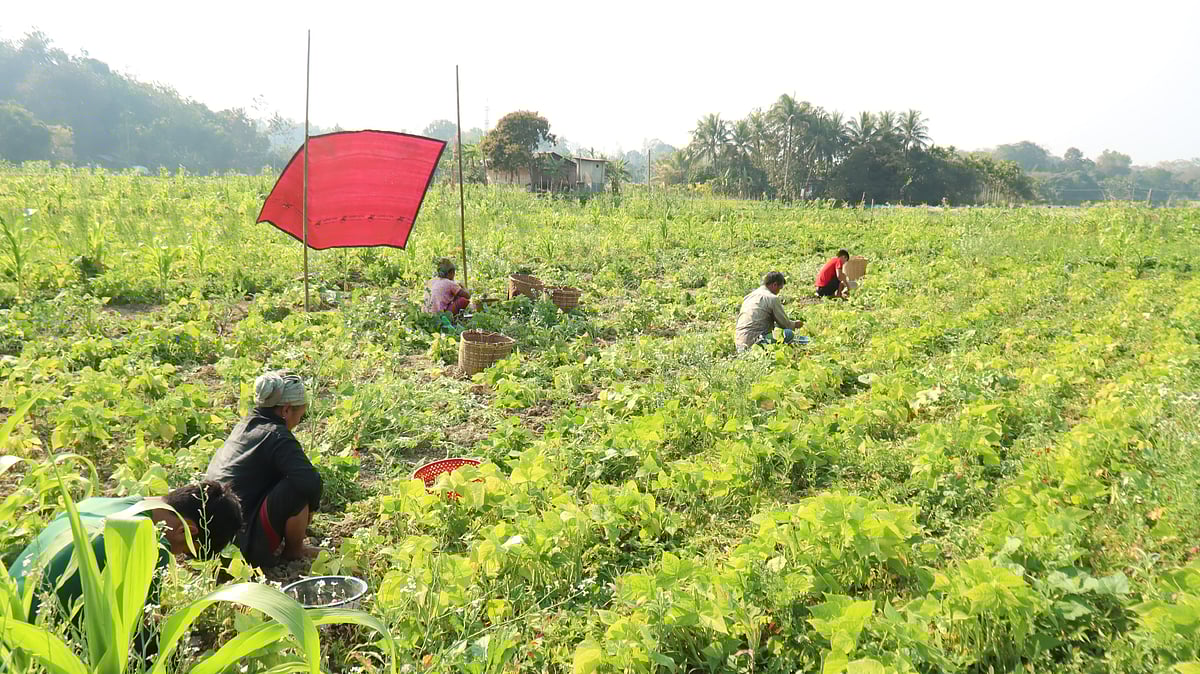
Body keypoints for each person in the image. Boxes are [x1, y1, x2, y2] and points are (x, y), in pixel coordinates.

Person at [7, 481, 242, 623]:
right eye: (184, 551)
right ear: (186, 530)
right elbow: (138, 632)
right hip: (26, 644)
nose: (175, 556)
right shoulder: (146, 542)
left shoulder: (95, 504)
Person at [206, 370, 322, 569]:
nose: (298, 422)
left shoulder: (244, 427)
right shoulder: (277, 435)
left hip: (212, 543)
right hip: (243, 548)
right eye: (300, 416)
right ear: (286, 410)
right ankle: (294, 551)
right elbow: (311, 482)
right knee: (297, 488)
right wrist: (309, 510)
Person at [734, 271, 801, 353]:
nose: (778, 292)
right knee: (788, 333)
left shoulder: (749, 296)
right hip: (755, 343)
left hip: (739, 342)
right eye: (779, 288)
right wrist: (795, 324)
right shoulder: (772, 298)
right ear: (775, 285)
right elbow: (785, 324)